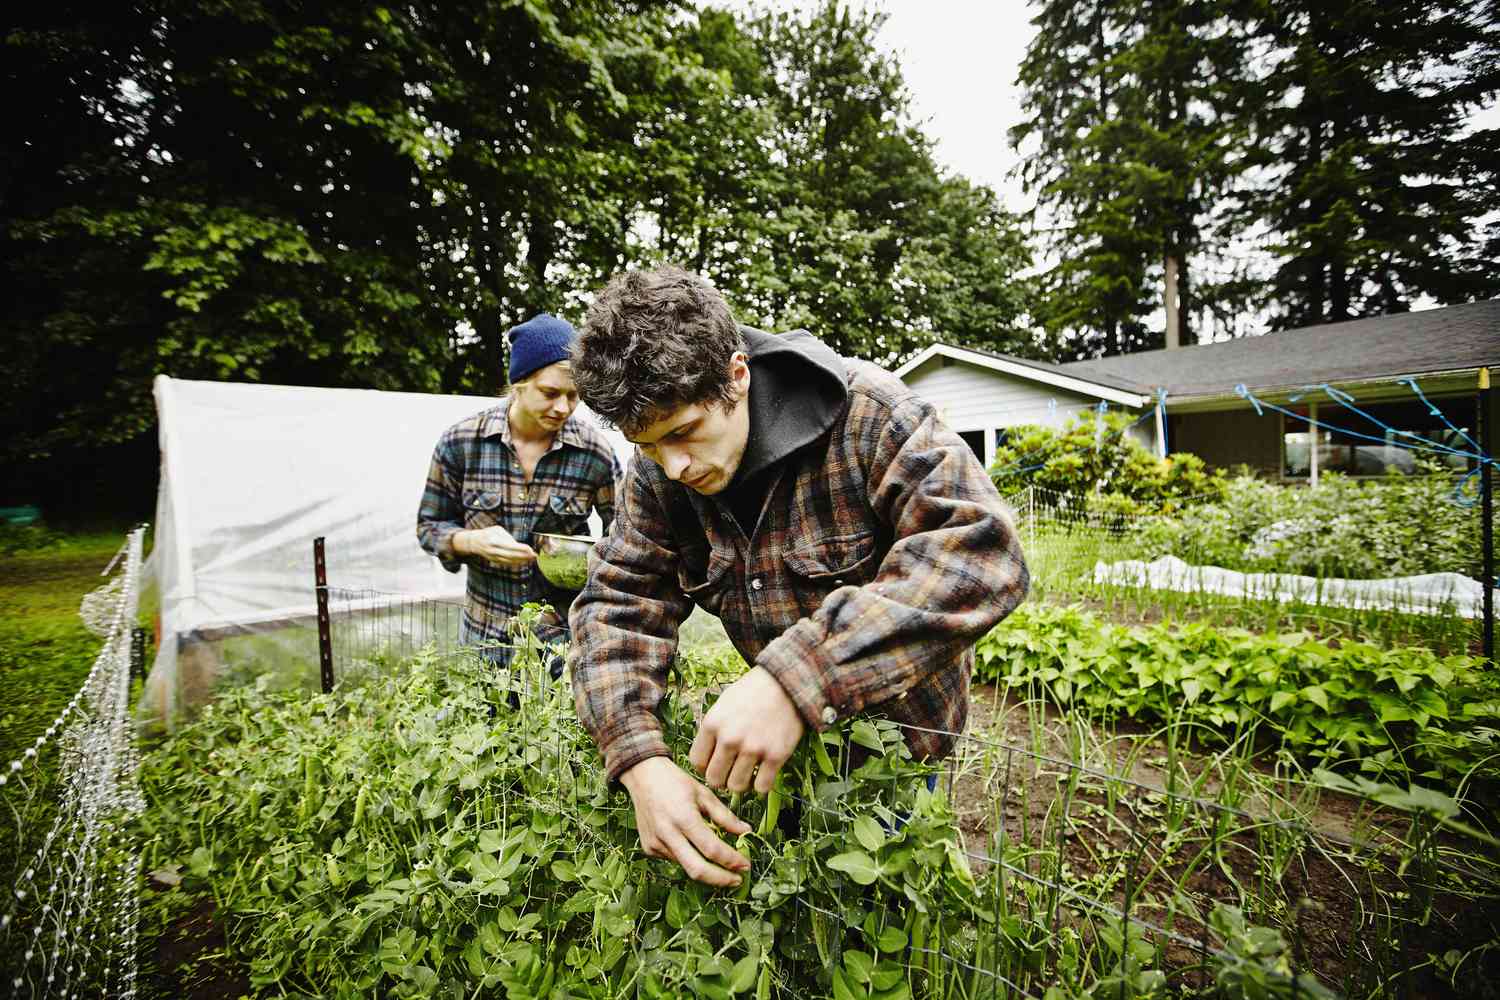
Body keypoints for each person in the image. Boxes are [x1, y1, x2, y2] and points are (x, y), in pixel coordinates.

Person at [566, 266, 1029, 888]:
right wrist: (639, 759)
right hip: (778, 756)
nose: (672, 467)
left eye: (683, 434)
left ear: (736, 375)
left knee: (892, 922)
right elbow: (617, 603)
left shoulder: (872, 415)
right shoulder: (659, 473)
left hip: (897, 752)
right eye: (648, 447)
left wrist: (796, 677)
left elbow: (981, 553)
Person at [417, 313, 621, 675]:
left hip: (560, 642)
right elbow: (430, 526)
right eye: (550, 393)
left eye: (574, 396)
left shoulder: (594, 453)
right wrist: (469, 541)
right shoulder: (461, 443)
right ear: (519, 383)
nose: (563, 407)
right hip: (484, 640)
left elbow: (626, 535)